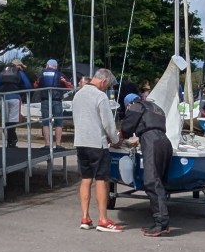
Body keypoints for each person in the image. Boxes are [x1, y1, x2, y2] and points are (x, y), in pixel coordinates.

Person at [70, 69, 124, 232]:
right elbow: (108, 123)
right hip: (97, 144)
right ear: (103, 81)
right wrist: (115, 140)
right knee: (102, 180)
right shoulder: (100, 96)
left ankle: (85, 217)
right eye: (107, 85)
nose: (107, 88)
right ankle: (103, 219)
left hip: (80, 141)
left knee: (86, 179)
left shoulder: (78, 95)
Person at [124, 84, 174, 236]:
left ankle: (161, 224)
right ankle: (161, 220)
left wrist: (121, 137)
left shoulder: (136, 107)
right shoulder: (156, 107)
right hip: (165, 141)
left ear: (129, 103)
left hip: (151, 142)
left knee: (152, 181)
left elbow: (127, 128)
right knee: (160, 182)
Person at [37, 58, 72, 150]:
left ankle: (47, 144)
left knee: (45, 123)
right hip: (56, 101)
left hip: (45, 100)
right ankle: (58, 144)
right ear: (56, 67)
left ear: (47, 65)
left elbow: (35, 85)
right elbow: (69, 85)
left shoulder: (42, 74)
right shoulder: (59, 75)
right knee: (58, 123)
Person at [0, 58, 30, 148]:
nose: (22, 68)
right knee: (13, 120)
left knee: (6, 120)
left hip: (3, 98)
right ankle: (11, 141)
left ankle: (10, 139)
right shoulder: (19, 72)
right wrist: (21, 91)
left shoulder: (3, 72)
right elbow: (27, 85)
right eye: (21, 66)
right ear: (18, 65)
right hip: (15, 97)